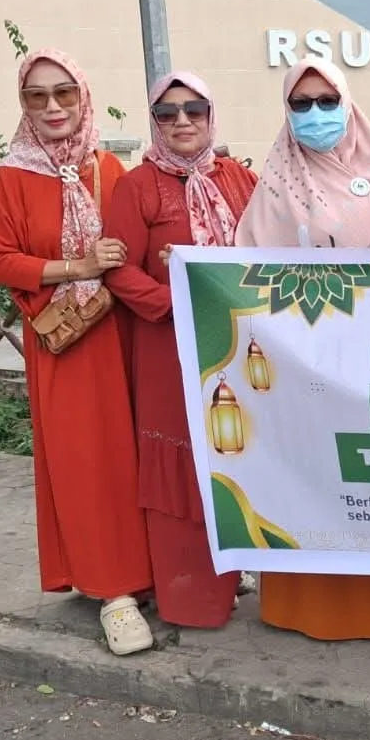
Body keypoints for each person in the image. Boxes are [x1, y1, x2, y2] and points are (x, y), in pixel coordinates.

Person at [237, 59, 370, 641]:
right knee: (313, 470)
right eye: (301, 103)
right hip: (304, 362)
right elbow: (245, 268)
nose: (315, 114)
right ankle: (302, 606)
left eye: (326, 101)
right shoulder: (275, 184)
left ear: (348, 104)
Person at [0, 50, 154, 657]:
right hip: (65, 340)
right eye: (36, 96)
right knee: (86, 458)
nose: (52, 107)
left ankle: (151, 571)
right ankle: (112, 590)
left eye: (64, 94)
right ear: (23, 104)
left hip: (126, 331)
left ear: (83, 97)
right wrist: (74, 267)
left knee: (137, 452)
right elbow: (1, 260)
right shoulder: (13, 176)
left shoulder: (108, 167)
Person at [102, 71, 258, 630]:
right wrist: (178, 303)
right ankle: (192, 596)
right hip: (167, 347)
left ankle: (240, 565)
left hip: (237, 346)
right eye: (167, 113)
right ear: (154, 122)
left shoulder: (239, 178)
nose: (182, 121)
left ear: (212, 116)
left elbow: (265, 251)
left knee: (239, 452)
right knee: (181, 463)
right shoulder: (138, 185)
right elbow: (118, 270)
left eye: (194, 109)